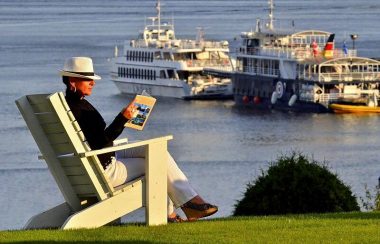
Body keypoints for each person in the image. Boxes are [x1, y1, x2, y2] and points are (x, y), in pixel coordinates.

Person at [59, 57, 218, 222]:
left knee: (157, 151)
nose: (93, 82)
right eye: (87, 79)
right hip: (105, 169)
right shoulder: (79, 110)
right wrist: (122, 119)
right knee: (157, 162)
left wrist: (124, 119)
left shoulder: (70, 106)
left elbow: (95, 141)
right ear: (73, 81)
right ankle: (187, 206)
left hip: (97, 161)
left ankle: (186, 205)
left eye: (92, 79)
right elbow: (100, 143)